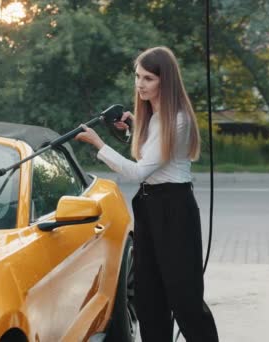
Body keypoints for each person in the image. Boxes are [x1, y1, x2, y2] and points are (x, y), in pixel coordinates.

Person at [75, 46, 219, 341]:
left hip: (174, 208)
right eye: (138, 77)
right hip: (150, 206)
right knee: (149, 297)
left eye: (148, 78)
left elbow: (140, 171)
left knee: (184, 298)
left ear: (165, 81)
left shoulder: (177, 120)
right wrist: (133, 126)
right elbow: (150, 152)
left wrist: (99, 145)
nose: (140, 84)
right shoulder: (154, 118)